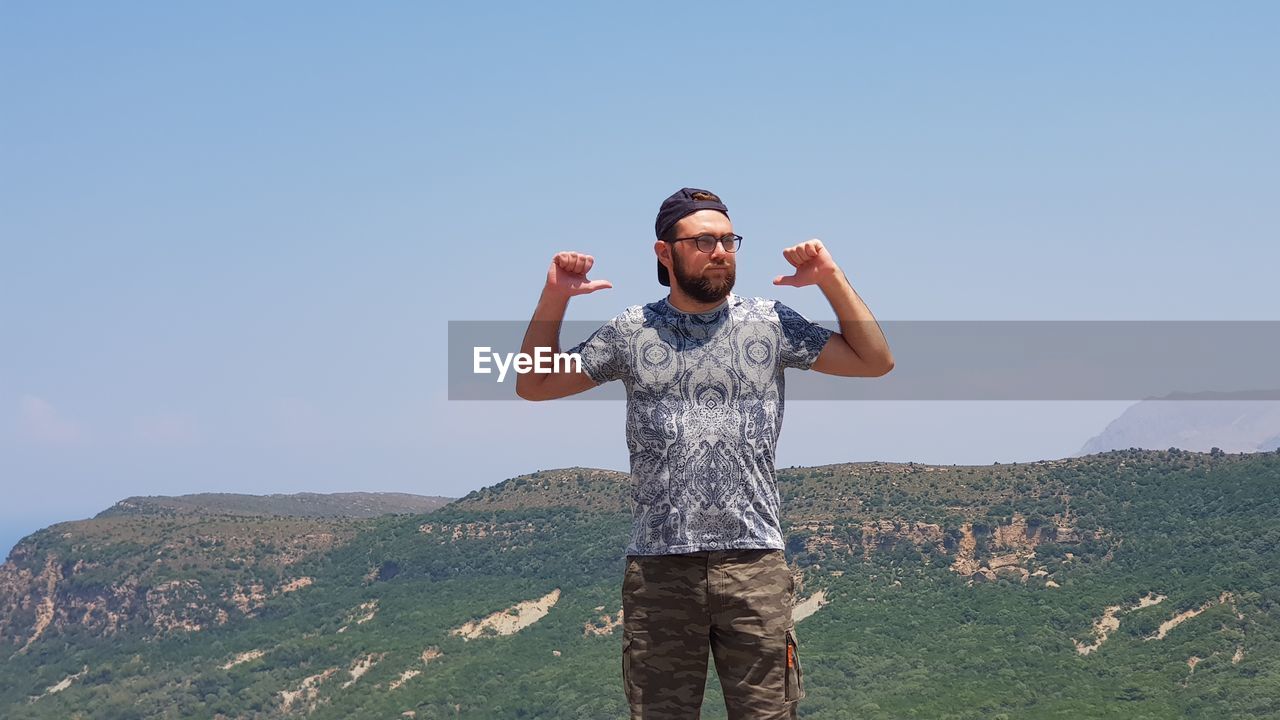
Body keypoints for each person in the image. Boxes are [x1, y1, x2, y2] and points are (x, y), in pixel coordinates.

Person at [515, 187, 894, 719]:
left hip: (754, 561)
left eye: (728, 240)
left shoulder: (771, 322)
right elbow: (534, 385)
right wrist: (555, 295)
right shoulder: (632, 330)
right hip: (660, 569)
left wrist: (829, 277)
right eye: (703, 241)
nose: (720, 251)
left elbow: (875, 361)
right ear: (664, 253)